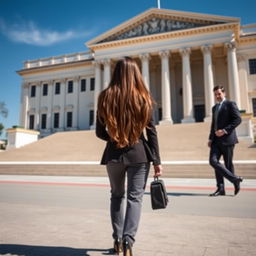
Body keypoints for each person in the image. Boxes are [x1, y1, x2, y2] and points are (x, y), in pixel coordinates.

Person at [96, 57, 163, 256]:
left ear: (116, 73)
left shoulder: (105, 96)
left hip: (114, 155)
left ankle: (117, 239)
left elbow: (100, 132)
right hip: (139, 154)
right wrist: (158, 161)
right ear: (136, 74)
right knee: (135, 199)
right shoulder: (144, 97)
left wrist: (116, 137)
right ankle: (128, 242)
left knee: (116, 196)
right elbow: (152, 133)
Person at [208, 85, 243, 196]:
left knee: (228, 165)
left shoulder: (230, 104)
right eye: (215, 94)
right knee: (213, 161)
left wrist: (224, 130)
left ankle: (234, 183)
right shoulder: (214, 108)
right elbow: (213, 124)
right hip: (216, 141)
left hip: (228, 140)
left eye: (219, 94)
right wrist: (210, 137)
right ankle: (224, 186)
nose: (217, 96)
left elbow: (238, 119)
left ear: (224, 93)